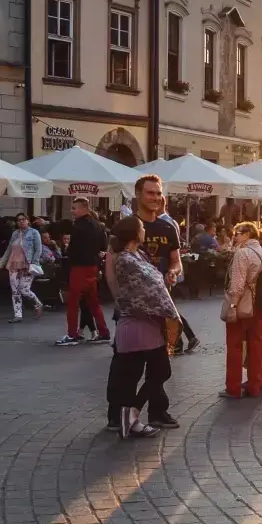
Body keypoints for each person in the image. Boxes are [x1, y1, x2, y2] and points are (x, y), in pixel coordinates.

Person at [106, 214, 176, 436]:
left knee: (155, 371)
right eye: (142, 228)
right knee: (146, 373)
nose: (145, 230)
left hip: (147, 325)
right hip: (137, 325)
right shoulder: (126, 259)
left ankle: (130, 417)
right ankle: (130, 417)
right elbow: (147, 290)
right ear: (135, 234)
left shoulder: (138, 255)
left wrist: (167, 279)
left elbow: (154, 284)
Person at [133, 175, 194, 353]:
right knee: (129, 365)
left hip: (161, 300)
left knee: (160, 369)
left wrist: (173, 272)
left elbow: (176, 261)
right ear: (138, 194)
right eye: (150, 193)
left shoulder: (167, 228)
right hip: (134, 305)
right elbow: (112, 265)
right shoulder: (128, 225)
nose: (155, 197)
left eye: (158, 193)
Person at [222, 222, 262, 397]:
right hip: (261, 306)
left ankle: (233, 388)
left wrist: (233, 306)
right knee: (257, 346)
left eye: (238, 233)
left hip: (243, 305)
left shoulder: (242, 253)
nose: (235, 236)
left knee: (234, 346)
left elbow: (237, 285)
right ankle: (254, 387)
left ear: (248, 234)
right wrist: (261, 285)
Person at [55, 198, 110, 345]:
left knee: (73, 303)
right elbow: (103, 247)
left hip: (79, 267)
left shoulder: (77, 227)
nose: (72, 211)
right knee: (93, 302)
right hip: (92, 267)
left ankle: (72, 334)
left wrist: (68, 250)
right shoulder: (98, 226)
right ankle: (104, 332)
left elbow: (74, 249)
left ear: (84, 208)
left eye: (74, 208)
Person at [3, 213, 45, 322]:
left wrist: (33, 263)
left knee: (24, 289)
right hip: (13, 264)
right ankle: (18, 315)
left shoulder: (34, 233)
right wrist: (1, 264)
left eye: (23, 219)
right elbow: (9, 249)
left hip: (27, 264)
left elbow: (38, 249)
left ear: (28, 221)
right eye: (18, 220)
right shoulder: (15, 234)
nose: (21, 221)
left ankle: (37, 304)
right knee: (15, 291)